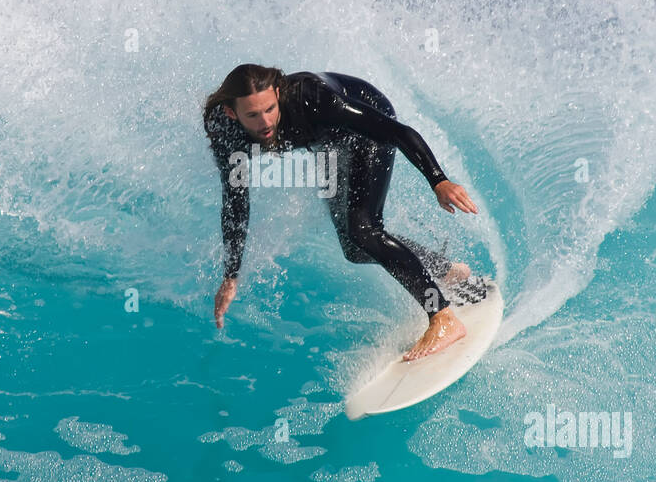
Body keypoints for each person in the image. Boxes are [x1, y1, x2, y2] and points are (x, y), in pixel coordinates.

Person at [203, 64, 479, 360]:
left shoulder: (314, 100)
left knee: (364, 230)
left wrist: (438, 179)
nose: (266, 122)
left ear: (279, 94)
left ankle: (441, 317)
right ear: (232, 113)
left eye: (270, 108)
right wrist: (231, 275)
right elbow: (235, 199)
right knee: (355, 248)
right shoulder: (225, 130)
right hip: (330, 143)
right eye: (253, 115)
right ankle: (447, 271)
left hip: (367, 121)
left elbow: (395, 132)